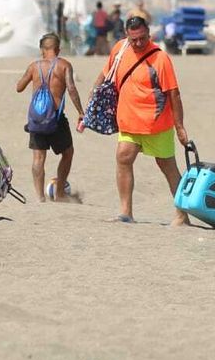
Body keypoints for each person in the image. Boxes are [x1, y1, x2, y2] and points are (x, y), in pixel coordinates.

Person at [79, 14, 189, 225]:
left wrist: (180, 127)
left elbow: (173, 94)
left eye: (142, 38)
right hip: (129, 122)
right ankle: (126, 213)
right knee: (123, 158)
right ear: (126, 36)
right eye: (134, 39)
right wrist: (93, 95)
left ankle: (182, 216)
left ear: (149, 33)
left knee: (167, 166)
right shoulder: (120, 49)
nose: (138, 43)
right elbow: (105, 72)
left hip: (155, 124)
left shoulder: (161, 58)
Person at [16, 32, 85, 202]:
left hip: (37, 119)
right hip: (56, 118)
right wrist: (81, 112)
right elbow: (71, 89)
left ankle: (40, 197)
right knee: (68, 153)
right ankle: (60, 192)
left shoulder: (34, 66)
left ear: (42, 50)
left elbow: (19, 87)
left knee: (38, 158)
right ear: (58, 49)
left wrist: (33, 77)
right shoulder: (64, 65)